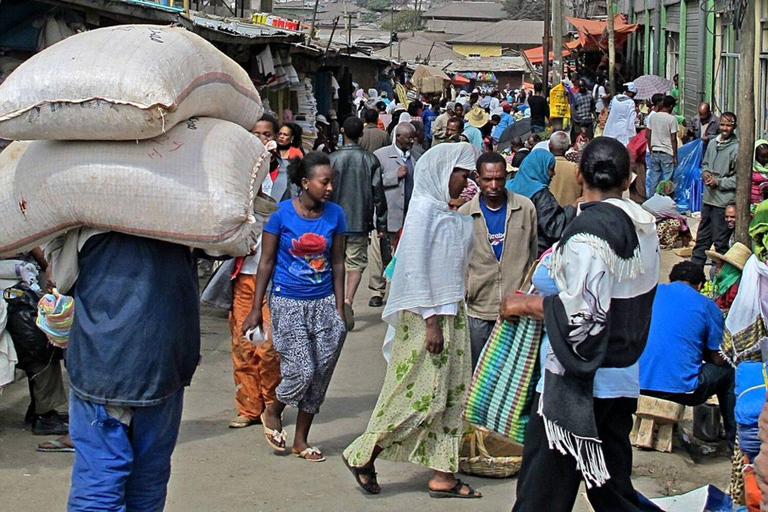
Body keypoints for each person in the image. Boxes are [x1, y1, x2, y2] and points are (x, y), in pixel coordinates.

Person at [505, 137, 660, 512]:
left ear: (577, 175)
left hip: (575, 390)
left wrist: (526, 303)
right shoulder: (645, 226)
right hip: (621, 378)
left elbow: (583, 319)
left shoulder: (588, 235)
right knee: (612, 492)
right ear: (628, 179)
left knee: (540, 499)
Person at [342, 143, 481, 499]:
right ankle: (365, 452)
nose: (467, 181)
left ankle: (443, 474)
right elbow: (416, 270)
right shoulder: (422, 212)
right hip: (427, 316)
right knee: (421, 395)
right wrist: (431, 322)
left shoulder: (449, 213)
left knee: (452, 396)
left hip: (454, 311)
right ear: (442, 172)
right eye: (462, 174)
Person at [63, 231, 201, 509]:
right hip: (164, 366)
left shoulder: (85, 225)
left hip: (100, 367)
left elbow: (61, 279)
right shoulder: (187, 223)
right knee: (148, 479)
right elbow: (238, 240)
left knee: (99, 481)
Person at [242, 152, 347, 462]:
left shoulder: (336, 214)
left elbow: (338, 261)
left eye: (331, 182)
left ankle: (301, 440)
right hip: (288, 301)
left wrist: (340, 307)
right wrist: (254, 308)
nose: (329, 188)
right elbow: (267, 262)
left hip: (326, 303)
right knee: (302, 370)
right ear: (305, 183)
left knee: (319, 376)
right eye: (324, 182)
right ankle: (273, 409)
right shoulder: (281, 215)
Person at [639, 261, 734, 449]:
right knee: (730, 372)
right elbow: (718, 358)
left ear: (670, 279)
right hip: (680, 391)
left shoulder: (648, 294)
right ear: (699, 285)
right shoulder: (707, 305)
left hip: (636, 384)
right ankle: (734, 442)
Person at [227, 116, 283, 430]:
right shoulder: (239, 178)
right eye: (256, 135)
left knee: (270, 346)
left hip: (275, 276)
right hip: (242, 273)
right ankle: (248, 407)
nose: (263, 140)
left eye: (267, 135)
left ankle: (272, 404)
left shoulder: (286, 177)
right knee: (243, 344)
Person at [459, 152, 537, 366]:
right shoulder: (465, 214)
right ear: (477, 178)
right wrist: (469, 289)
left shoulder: (525, 208)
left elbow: (532, 255)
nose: (494, 185)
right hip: (479, 311)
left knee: (514, 378)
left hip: (516, 311)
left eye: (499, 179)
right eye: (487, 179)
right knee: (478, 376)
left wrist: (525, 294)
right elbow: (460, 261)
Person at [329, 116, 387, 331]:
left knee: (334, 262)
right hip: (359, 221)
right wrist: (381, 224)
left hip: (333, 222)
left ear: (342, 131)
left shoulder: (332, 159)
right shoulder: (370, 160)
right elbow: (378, 194)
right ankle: (348, 300)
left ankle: (336, 301)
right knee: (356, 263)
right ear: (360, 134)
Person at [367, 123, 422, 307]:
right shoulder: (381, 156)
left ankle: (402, 290)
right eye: (409, 138)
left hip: (409, 215)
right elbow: (372, 183)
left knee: (406, 254)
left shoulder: (417, 156)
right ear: (398, 137)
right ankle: (377, 291)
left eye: (414, 137)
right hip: (386, 215)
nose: (412, 141)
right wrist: (394, 176)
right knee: (379, 255)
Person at [506, 150, 576, 256]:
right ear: (540, 169)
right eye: (551, 169)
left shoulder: (508, 187)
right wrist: (572, 208)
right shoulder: (540, 194)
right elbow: (554, 228)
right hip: (535, 252)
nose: (553, 174)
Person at [691, 112, 739, 266]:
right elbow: (705, 164)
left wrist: (718, 182)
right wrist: (705, 173)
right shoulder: (712, 143)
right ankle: (695, 275)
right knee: (702, 239)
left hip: (723, 202)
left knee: (720, 243)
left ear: (734, 127)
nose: (725, 128)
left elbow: (739, 179)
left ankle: (719, 278)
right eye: (723, 124)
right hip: (708, 200)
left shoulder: (737, 148)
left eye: (729, 125)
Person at [645, 95, 679, 197]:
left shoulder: (653, 117)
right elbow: (673, 139)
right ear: (671, 106)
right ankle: (665, 202)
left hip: (655, 152)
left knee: (654, 180)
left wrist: (651, 149)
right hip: (667, 153)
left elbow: (648, 135)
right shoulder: (672, 119)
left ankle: (651, 202)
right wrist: (675, 156)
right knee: (667, 181)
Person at [642, 180, 690, 250]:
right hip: (650, 232)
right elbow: (679, 218)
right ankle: (666, 243)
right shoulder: (668, 203)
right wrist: (686, 234)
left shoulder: (655, 197)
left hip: (643, 231)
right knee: (675, 222)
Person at [705, 242, 752, 314]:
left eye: (722, 264)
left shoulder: (736, 287)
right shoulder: (721, 281)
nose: (717, 266)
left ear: (730, 268)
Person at [269, 122, 305, 201]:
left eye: (285, 135)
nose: (281, 137)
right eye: (280, 134)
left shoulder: (296, 153)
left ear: (291, 138)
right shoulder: (272, 151)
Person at [548, 130, 582, 207]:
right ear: (568, 148)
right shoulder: (576, 169)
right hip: (571, 215)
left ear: (550, 146)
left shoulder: (542, 167)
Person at [603, 82, 638, 146]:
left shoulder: (614, 99)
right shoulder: (631, 103)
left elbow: (609, 111)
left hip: (609, 131)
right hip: (622, 134)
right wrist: (632, 136)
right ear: (630, 93)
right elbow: (631, 121)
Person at [752, 140, 768, 206]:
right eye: (762, 157)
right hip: (752, 202)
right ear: (755, 156)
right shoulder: (750, 166)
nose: (766, 159)